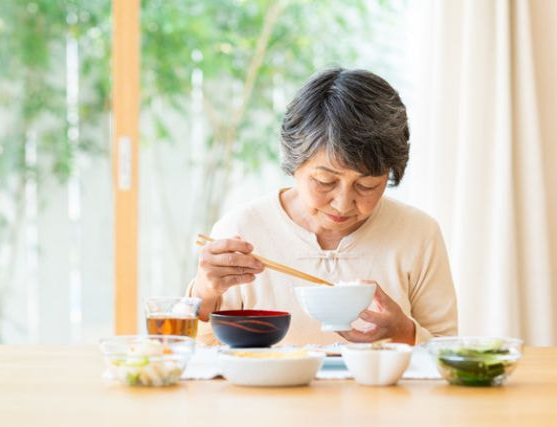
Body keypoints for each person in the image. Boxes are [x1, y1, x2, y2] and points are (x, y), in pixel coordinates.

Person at [187, 67, 457, 346]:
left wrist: (406, 332)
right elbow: (201, 357)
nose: (342, 203)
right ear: (294, 164)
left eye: (366, 186)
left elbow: (449, 354)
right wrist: (205, 294)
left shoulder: (418, 234)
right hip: (268, 390)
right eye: (325, 181)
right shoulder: (242, 231)